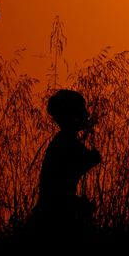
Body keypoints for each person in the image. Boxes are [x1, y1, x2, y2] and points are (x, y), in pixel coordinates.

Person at [30, 89, 102, 238]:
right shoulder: (67, 141)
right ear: (72, 115)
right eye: (82, 109)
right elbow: (65, 179)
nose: (87, 114)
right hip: (55, 214)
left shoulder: (64, 139)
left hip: (50, 211)